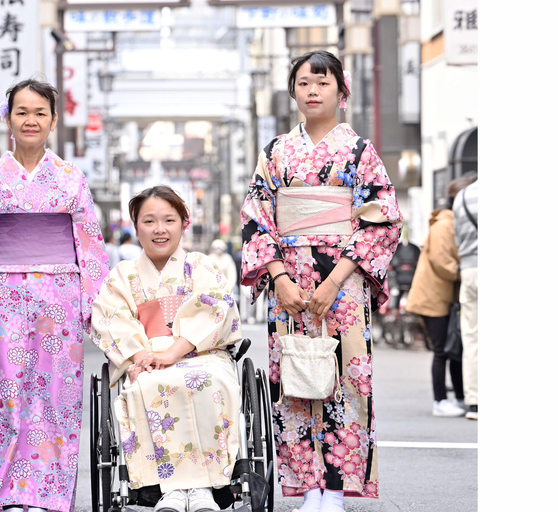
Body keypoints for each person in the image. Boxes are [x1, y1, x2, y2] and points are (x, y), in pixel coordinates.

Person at [240, 50, 403, 512]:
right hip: (288, 282)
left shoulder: (358, 152)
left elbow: (382, 220)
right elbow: (256, 218)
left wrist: (336, 280)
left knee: (346, 379)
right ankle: (304, 485)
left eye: (323, 82)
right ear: (292, 91)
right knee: (292, 377)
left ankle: (334, 487)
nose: (313, 91)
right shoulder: (274, 152)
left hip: (345, 283)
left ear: (341, 91)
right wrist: (279, 277)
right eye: (304, 83)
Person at [0, 78, 110, 512]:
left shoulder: (71, 180)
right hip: (2, 299)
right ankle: (12, 494)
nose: (31, 120)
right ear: (8, 119)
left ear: (53, 120)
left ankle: (52, 496)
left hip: (60, 298)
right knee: (7, 393)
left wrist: (95, 309)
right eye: (22, 112)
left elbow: (90, 246)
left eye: (40, 112)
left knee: (58, 394)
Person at [91, 185, 243, 512]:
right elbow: (110, 318)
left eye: (169, 220)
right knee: (145, 385)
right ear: (135, 225)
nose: (159, 229)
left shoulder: (200, 266)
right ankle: (166, 488)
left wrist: (175, 352)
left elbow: (218, 307)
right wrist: (139, 355)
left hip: (201, 353)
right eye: (149, 221)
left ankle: (205, 486)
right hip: (145, 356)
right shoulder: (122, 276)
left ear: (184, 223)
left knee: (212, 381)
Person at [405, 177, 474, 418]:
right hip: (432, 298)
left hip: (442, 297)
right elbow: (442, 263)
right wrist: (465, 271)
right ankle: (440, 401)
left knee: (454, 348)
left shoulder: (451, 223)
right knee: (442, 351)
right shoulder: (444, 226)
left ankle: (460, 396)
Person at [452, 176, 478, 420]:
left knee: (471, 337)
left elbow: (457, 238)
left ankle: (474, 402)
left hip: (468, 270)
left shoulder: (462, 197)